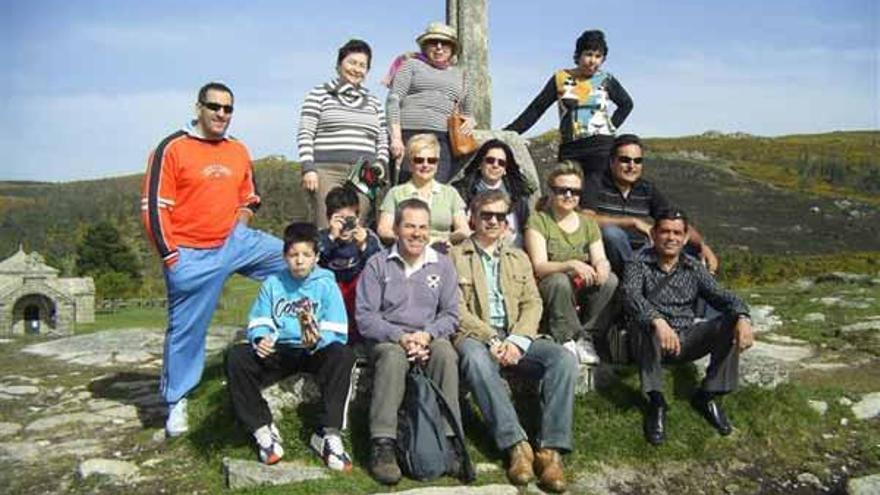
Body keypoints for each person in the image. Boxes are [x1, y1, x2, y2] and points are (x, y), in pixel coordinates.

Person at [141, 82, 287, 438]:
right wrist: (171, 256)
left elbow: (249, 197)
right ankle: (177, 401)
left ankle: (290, 343)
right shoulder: (173, 148)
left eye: (228, 109)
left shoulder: (237, 149)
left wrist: (239, 229)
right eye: (214, 107)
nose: (221, 114)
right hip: (191, 252)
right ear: (199, 107)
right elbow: (153, 208)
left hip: (236, 242)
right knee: (186, 331)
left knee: (297, 264)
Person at [450, 190, 576, 493]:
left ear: (507, 221)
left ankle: (550, 450)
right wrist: (492, 339)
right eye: (486, 215)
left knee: (563, 359)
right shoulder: (454, 258)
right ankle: (516, 446)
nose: (493, 221)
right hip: (475, 336)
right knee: (475, 359)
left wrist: (518, 341)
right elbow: (455, 308)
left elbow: (533, 303)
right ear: (473, 218)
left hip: (517, 334)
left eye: (499, 216)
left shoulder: (518, 257)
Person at [226, 222, 356, 469]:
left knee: (343, 355)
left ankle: (328, 434)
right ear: (285, 256)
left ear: (316, 257)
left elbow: (339, 328)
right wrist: (260, 338)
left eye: (306, 255)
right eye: (293, 255)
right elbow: (260, 319)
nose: (299, 261)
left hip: (315, 349)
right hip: (282, 349)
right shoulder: (273, 284)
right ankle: (263, 430)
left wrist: (318, 339)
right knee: (237, 357)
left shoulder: (327, 283)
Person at [622, 211, 754, 446]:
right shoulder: (637, 262)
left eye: (677, 232)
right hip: (649, 340)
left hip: (684, 338)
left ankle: (708, 395)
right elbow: (630, 296)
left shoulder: (693, 267)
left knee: (731, 321)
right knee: (645, 325)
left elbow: (723, 295)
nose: (671, 238)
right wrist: (658, 320)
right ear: (654, 234)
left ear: (684, 238)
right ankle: (656, 400)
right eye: (664, 231)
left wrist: (743, 316)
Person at [356, 199, 461, 485]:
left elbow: (451, 314)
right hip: (389, 339)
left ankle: (449, 440)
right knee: (392, 357)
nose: (417, 233)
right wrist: (400, 337)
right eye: (410, 226)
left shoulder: (442, 265)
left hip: (428, 336)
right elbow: (366, 317)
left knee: (445, 353)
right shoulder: (378, 265)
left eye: (423, 227)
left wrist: (427, 335)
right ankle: (383, 444)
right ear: (397, 229)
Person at [582, 134, 719, 276]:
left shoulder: (646, 189)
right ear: (611, 162)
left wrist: (703, 247)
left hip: (643, 252)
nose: (632, 166)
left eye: (637, 161)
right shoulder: (595, 182)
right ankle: (637, 277)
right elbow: (585, 219)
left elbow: (675, 220)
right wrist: (631, 222)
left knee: (688, 252)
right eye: (625, 160)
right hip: (609, 257)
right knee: (612, 234)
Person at [505, 29, 632, 178]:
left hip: (601, 147)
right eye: (588, 54)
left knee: (591, 194)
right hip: (570, 147)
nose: (593, 61)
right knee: (565, 189)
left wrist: (609, 128)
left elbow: (626, 104)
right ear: (578, 56)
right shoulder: (561, 78)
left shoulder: (606, 79)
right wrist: (509, 132)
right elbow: (537, 108)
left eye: (598, 56)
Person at [524, 163, 618, 365]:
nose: (569, 195)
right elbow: (539, 266)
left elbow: (600, 256)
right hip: (551, 285)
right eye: (562, 190)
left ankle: (586, 337)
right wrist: (571, 264)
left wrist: (602, 266)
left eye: (574, 191)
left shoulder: (588, 223)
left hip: (580, 284)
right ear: (551, 191)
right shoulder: (538, 221)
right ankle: (567, 337)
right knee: (559, 281)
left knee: (610, 280)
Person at [298, 39, 389, 228]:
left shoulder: (374, 102)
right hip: (326, 170)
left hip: (364, 173)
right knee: (327, 226)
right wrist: (308, 168)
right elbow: (306, 132)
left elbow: (382, 139)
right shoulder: (319, 94)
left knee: (356, 227)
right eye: (352, 62)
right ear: (339, 65)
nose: (356, 69)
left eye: (362, 65)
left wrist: (380, 164)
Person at [384, 22, 475, 184]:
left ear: (453, 48)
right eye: (434, 42)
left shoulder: (462, 76)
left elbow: (467, 112)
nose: (439, 47)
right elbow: (393, 99)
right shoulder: (411, 65)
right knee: (407, 190)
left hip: (442, 139)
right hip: (409, 134)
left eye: (445, 43)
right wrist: (396, 137)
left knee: (437, 189)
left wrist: (470, 120)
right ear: (425, 46)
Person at [376, 133, 470, 248]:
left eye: (431, 160)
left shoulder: (450, 193)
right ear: (410, 163)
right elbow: (384, 229)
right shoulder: (395, 193)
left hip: (442, 251)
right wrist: (406, 241)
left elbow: (464, 230)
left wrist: (446, 239)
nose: (425, 165)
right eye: (419, 160)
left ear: (437, 163)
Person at [317, 186, 382, 343]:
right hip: (331, 290)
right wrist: (332, 237)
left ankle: (361, 340)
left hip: (357, 293)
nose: (345, 226)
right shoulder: (321, 238)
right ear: (329, 218)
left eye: (350, 220)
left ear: (358, 218)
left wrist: (363, 246)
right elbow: (312, 261)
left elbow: (380, 268)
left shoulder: (368, 237)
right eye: (340, 219)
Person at [451, 139, 537, 248]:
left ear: (505, 169)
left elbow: (526, 228)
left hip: (511, 249)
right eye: (490, 160)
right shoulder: (462, 190)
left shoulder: (518, 193)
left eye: (501, 163)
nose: (495, 165)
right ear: (480, 163)